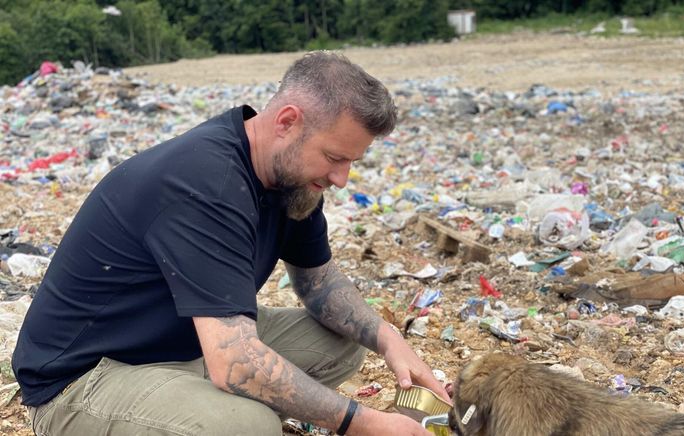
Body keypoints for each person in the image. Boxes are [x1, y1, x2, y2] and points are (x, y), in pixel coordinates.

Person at [12, 51, 449, 435]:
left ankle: (193, 405)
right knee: (248, 426)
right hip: (83, 381)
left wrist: (390, 340)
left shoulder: (293, 180)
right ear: (287, 122)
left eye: (350, 162)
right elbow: (234, 361)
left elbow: (319, 284)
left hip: (183, 344)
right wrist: (360, 422)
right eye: (335, 157)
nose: (340, 178)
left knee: (345, 341)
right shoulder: (208, 182)